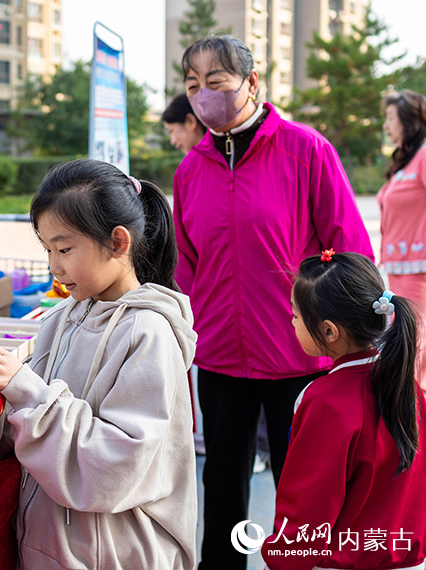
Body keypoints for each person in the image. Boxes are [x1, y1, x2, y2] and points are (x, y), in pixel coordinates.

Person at [172, 35, 374, 569]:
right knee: (222, 489)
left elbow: (348, 245)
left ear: (251, 83)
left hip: (300, 358)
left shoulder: (306, 150)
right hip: (219, 359)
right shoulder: (191, 169)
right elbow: (185, 268)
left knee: (303, 490)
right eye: (193, 86)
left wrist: (354, 336)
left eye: (215, 83)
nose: (203, 96)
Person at [0, 159, 198, 569]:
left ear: (118, 242)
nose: (55, 266)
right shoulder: (60, 319)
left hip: (114, 554)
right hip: (51, 545)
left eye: (65, 248)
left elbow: (118, 463)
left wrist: (26, 390)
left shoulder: (149, 333)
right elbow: (24, 430)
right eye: (47, 250)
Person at [262, 250, 426, 570]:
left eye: (295, 315)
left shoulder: (324, 402)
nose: (292, 321)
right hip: (407, 559)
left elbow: (308, 506)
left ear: (328, 331)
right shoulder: (412, 391)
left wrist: (280, 559)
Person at [379, 89, 426, 389]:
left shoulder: (423, 156)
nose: (385, 126)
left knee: (414, 351)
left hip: (419, 272)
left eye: (390, 118)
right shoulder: (404, 162)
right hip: (399, 271)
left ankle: (414, 425)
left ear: (409, 121)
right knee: (408, 350)